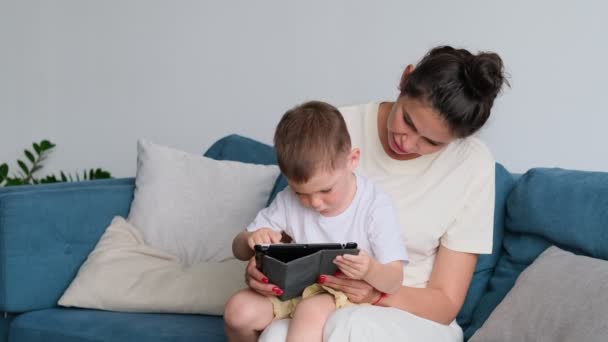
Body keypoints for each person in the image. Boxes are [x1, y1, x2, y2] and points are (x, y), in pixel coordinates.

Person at [249, 46, 508, 342]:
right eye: (408, 121)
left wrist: (376, 295)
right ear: (404, 78)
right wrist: (264, 265)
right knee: (276, 336)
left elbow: (445, 303)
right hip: (318, 299)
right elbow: (288, 223)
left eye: (432, 143)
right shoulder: (336, 128)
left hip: (414, 317)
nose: (408, 143)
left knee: (349, 328)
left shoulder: (472, 164)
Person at [224, 101, 409, 342]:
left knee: (309, 311)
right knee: (238, 310)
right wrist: (251, 239)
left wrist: (371, 270)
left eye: (326, 190)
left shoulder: (375, 205)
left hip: (343, 293)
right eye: (301, 192)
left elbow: (394, 280)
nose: (314, 203)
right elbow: (237, 248)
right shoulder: (288, 200)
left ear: (352, 160)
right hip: (295, 288)